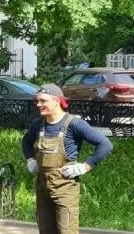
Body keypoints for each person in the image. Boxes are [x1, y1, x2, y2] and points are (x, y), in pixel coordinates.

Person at [22, 83, 113, 234]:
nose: (38, 104)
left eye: (43, 101)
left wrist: (85, 166)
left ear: (57, 101)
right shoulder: (38, 124)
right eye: (37, 101)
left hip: (65, 191)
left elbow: (105, 144)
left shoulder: (74, 124)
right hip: (43, 189)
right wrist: (30, 159)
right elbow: (26, 142)